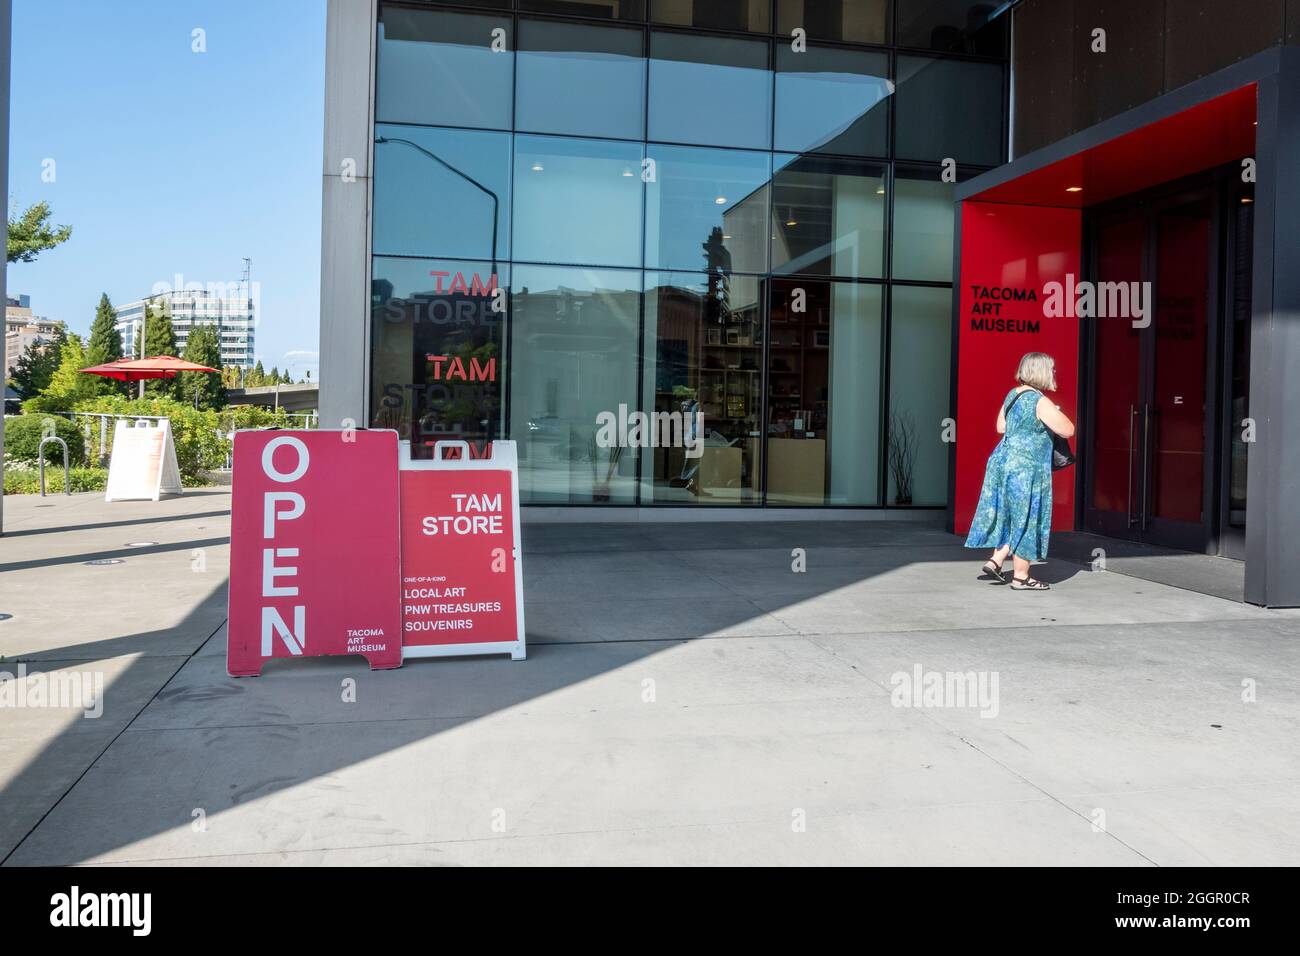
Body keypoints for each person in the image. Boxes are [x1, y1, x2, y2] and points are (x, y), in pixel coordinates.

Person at [965, 352, 1075, 590]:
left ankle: (996, 560)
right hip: (1027, 468)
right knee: (1027, 516)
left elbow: (1000, 426)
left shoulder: (1012, 395)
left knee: (1010, 514)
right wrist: (1052, 413)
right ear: (1042, 372)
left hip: (1002, 462)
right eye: (1052, 370)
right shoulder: (1040, 401)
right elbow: (1068, 429)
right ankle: (1021, 577)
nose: (1055, 374)